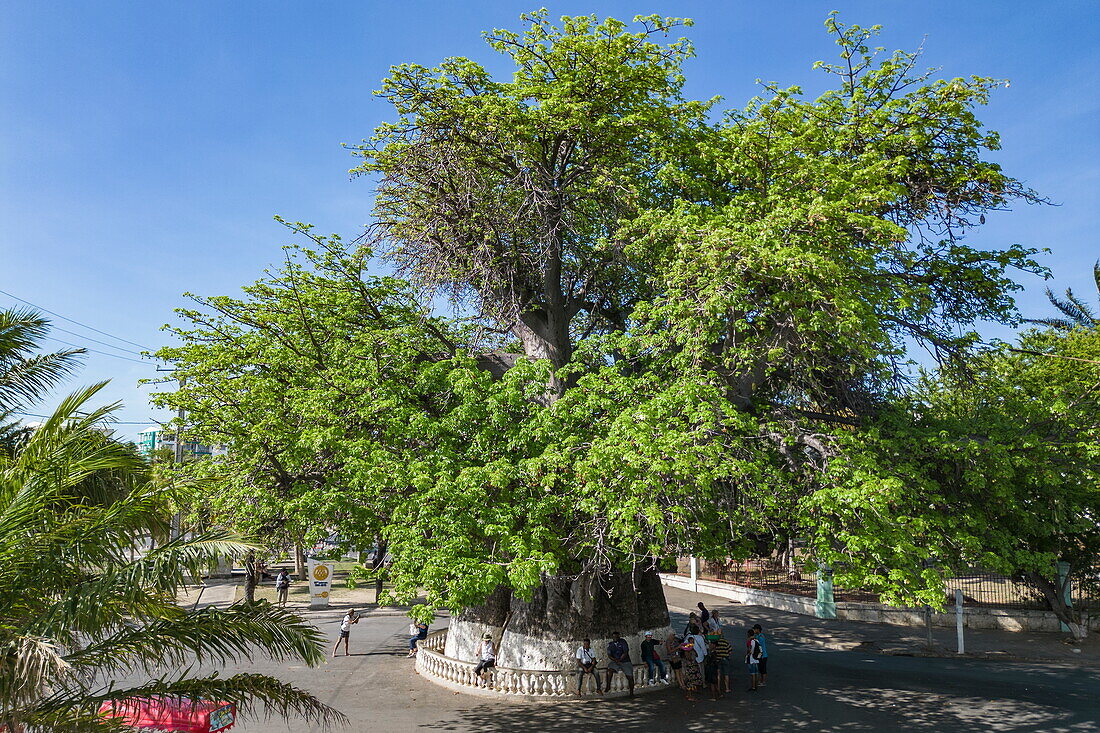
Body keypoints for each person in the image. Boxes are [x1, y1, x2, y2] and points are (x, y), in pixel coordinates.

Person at [605, 631, 635, 697]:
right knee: (609, 670)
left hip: (625, 661)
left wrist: (620, 659)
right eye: (614, 637)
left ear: (619, 636)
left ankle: (632, 693)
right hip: (615, 661)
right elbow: (609, 655)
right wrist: (615, 660)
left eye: (616, 637)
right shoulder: (610, 644)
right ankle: (608, 686)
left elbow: (625, 652)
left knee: (630, 676)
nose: (615, 638)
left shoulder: (623, 642)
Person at [677, 635, 703, 700]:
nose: (692, 643)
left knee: (693, 681)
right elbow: (689, 658)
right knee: (690, 682)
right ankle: (689, 696)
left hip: (693, 667)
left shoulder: (691, 648)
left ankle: (691, 693)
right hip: (690, 668)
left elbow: (696, 655)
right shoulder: (687, 650)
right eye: (691, 641)